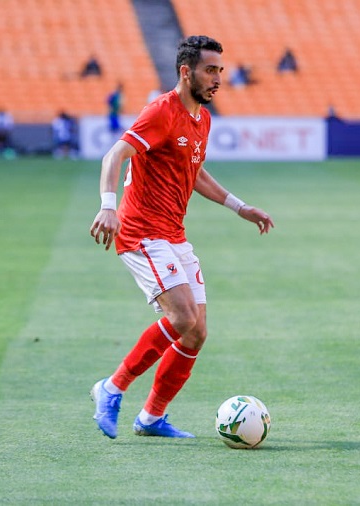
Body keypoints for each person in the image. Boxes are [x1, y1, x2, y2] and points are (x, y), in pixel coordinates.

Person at [89, 35, 274, 439]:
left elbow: (195, 172)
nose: (217, 78)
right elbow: (114, 154)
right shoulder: (161, 111)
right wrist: (108, 205)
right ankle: (111, 388)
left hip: (172, 234)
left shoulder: (202, 119)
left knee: (196, 331)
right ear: (186, 72)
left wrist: (240, 207)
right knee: (183, 317)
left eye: (220, 70)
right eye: (210, 70)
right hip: (141, 232)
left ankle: (151, 418)